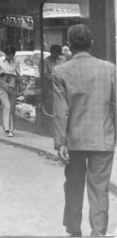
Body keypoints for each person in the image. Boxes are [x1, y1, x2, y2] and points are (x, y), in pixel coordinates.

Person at [52, 24, 116, 238]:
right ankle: (98, 233)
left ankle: (73, 228)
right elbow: (115, 105)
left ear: (69, 44)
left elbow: (61, 111)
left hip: (74, 140)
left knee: (73, 185)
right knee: (100, 189)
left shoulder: (60, 71)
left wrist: (60, 142)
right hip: (103, 138)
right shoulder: (109, 69)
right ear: (91, 43)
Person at [0, 45, 21, 137]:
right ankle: (8, 129)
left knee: (12, 108)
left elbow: (19, 75)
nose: (11, 57)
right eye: (9, 55)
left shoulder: (16, 62)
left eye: (12, 55)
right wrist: (0, 73)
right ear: (6, 54)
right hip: (2, 86)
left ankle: (9, 128)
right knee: (7, 106)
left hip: (12, 86)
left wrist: (16, 76)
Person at [41, 44, 66, 115]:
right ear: (51, 52)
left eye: (56, 53)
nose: (54, 55)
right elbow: (44, 74)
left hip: (61, 85)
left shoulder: (63, 59)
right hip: (50, 85)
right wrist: (53, 77)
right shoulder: (46, 60)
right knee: (51, 104)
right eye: (53, 53)